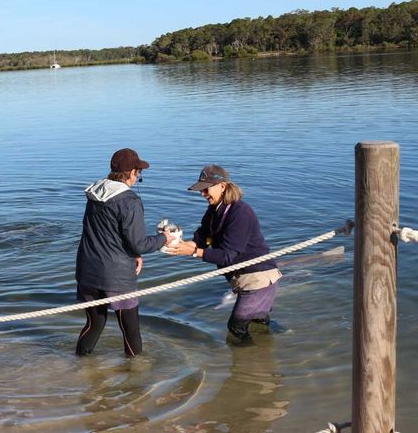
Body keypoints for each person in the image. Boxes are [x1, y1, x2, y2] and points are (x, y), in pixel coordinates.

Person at [75, 148, 173, 357]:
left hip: (87, 272)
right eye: (139, 172)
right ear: (131, 172)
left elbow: (107, 234)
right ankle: (136, 382)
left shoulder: (95, 194)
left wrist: (134, 254)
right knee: (130, 331)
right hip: (117, 278)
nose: (138, 177)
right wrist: (165, 238)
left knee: (94, 325)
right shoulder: (129, 201)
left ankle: (80, 365)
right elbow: (139, 244)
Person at [167, 165, 282, 343]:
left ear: (222, 186)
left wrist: (195, 252)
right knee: (258, 322)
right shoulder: (213, 210)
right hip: (244, 278)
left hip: (258, 277)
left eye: (206, 189)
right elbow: (202, 236)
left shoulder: (241, 213)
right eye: (201, 190)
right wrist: (182, 245)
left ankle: (248, 369)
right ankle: (273, 349)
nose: (203, 193)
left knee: (236, 328)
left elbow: (228, 256)